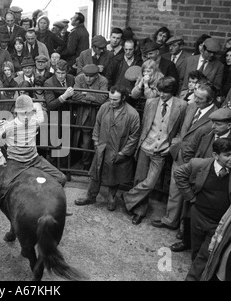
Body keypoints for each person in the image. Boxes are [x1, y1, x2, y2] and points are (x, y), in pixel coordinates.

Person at [0, 94, 67, 228]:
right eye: (22, 113)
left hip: (34, 159)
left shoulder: (35, 120)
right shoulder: (9, 126)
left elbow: (40, 113)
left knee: (62, 178)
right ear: (16, 112)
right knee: (0, 187)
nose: (26, 116)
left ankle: (59, 206)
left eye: (28, 113)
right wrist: (0, 156)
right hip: (15, 162)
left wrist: (37, 105)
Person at [122, 76, 188, 225]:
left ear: (173, 91)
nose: (162, 95)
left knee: (150, 183)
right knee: (139, 179)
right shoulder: (150, 102)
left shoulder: (182, 105)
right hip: (146, 146)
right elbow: (145, 125)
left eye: (166, 92)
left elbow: (181, 131)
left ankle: (127, 197)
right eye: (160, 91)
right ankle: (139, 211)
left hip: (162, 151)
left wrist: (171, 147)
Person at [157, 81, 218, 237]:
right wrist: (175, 146)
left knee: (189, 196)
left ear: (210, 101)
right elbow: (182, 129)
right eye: (195, 96)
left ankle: (183, 230)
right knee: (174, 190)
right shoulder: (191, 106)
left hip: (196, 162)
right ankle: (170, 220)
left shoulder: (215, 118)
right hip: (180, 155)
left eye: (200, 98)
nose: (195, 100)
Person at [174, 138, 231, 281]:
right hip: (198, 216)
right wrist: (190, 197)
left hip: (218, 224)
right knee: (196, 251)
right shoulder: (199, 164)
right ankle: (199, 272)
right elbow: (179, 174)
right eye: (227, 155)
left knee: (206, 254)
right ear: (216, 155)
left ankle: (192, 277)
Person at [75, 85, 140, 210]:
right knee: (95, 173)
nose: (111, 102)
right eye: (110, 98)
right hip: (102, 147)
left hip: (118, 149)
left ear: (124, 98)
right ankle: (90, 196)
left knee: (114, 175)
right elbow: (97, 125)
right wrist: (95, 141)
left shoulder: (133, 114)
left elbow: (134, 136)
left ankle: (111, 198)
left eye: (115, 100)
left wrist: (123, 153)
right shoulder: (105, 107)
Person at [72, 64, 109, 171]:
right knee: (84, 141)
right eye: (86, 76)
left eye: (91, 76)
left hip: (98, 114)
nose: (88, 79)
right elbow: (74, 95)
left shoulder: (103, 80)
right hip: (82, 114)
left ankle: (95, 165)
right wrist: (92, 97)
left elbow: (102, 98)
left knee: (97, 140)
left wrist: (85, 94)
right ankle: (85, 164)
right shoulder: (79, 78)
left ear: (96, 75)